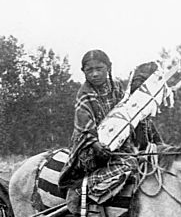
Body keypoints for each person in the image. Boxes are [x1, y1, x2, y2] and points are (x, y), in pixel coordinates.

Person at [58, 50, 142, 204]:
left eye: (99, 69)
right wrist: (97, 145)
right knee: (130, 164)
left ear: (108, 68)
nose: (95, 74)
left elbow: (124, 111)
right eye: (89, 70)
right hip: (91, 148)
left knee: (144, 161)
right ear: (83, 72)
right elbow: (84, 128)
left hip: (116, 142)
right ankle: (80, 187)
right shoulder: (84, 94)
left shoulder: (116, 86)